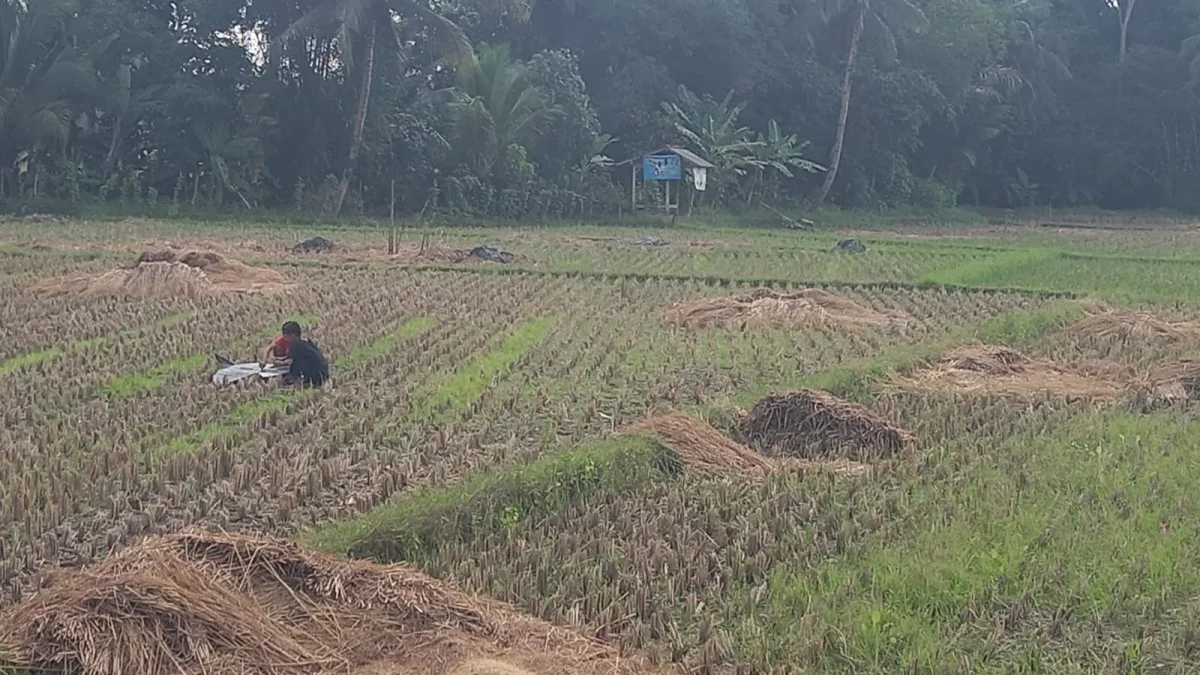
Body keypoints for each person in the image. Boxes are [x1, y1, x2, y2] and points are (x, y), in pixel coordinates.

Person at [279, 321, 329, 387]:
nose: (285, 338)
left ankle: (296, 380)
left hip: (316, 377)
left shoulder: (296, 345)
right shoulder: (306, 342)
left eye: (286, 335)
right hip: (323, 373)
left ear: (294, 335)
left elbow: (290, 362)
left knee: (296, 363)